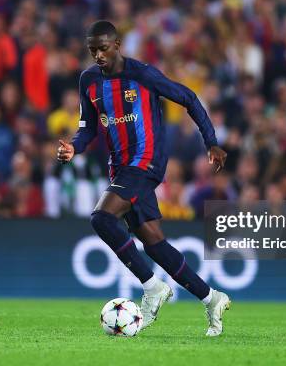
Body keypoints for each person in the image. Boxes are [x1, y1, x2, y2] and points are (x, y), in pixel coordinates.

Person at [57, 21, 230, 337]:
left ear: (118, 44)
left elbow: (189, 98)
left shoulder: (143, 75)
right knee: (154, 243)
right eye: (92, 50)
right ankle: (212, 298)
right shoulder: (89, 81)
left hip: (147, 162)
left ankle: (152, 287)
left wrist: (211, 141)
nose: (97, 55)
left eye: (103, 48)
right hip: (120, 167)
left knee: (101, 218)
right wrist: (73, 147)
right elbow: (88, 128)